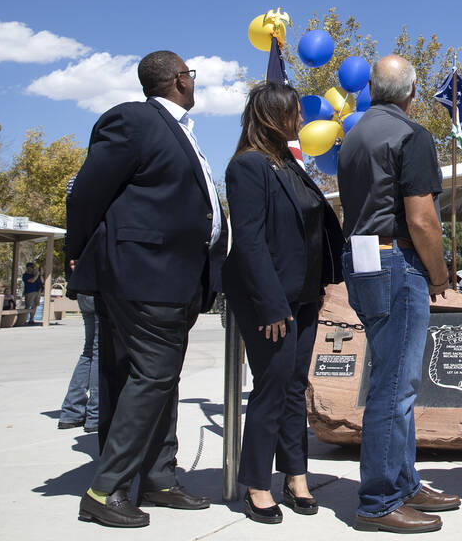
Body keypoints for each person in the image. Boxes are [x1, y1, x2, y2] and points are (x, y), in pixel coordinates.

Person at [66, 50, 227, 528]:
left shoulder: (180, 132)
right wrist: (79, 252)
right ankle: (106, 488)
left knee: (161, 379)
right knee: (153, 376)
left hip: (176, 277)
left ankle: (158, 478)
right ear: (181, 80)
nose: (193, 83)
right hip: (141, 274)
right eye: (191, 77)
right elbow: (87, 192)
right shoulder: (132, 120)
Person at [338, 55, 459, 533]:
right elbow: (423, 219)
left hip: (363, 260)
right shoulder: (411, 135)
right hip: (397, 261)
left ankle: (404, 482)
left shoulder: (354, 136)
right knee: (395, 385)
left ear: (370, 88)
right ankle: (380, 499)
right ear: (412, 92)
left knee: (393, 378)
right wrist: (439, 274)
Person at [224, 82, 345, 523]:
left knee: (295, 388)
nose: (301, 118)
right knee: (271, 389)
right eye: (295, 111)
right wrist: (272, 304)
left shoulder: (289, 166)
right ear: (275, 114)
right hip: (270, 301)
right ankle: (256, 483)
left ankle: (296, 475)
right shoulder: (248, 166)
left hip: (304, 296)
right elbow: (250, 242)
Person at [58, 289, 100, 433]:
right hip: (100, 292)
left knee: (89, 351)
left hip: (84, 292)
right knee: (100, 352)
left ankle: (72, 411)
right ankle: (96, 414)